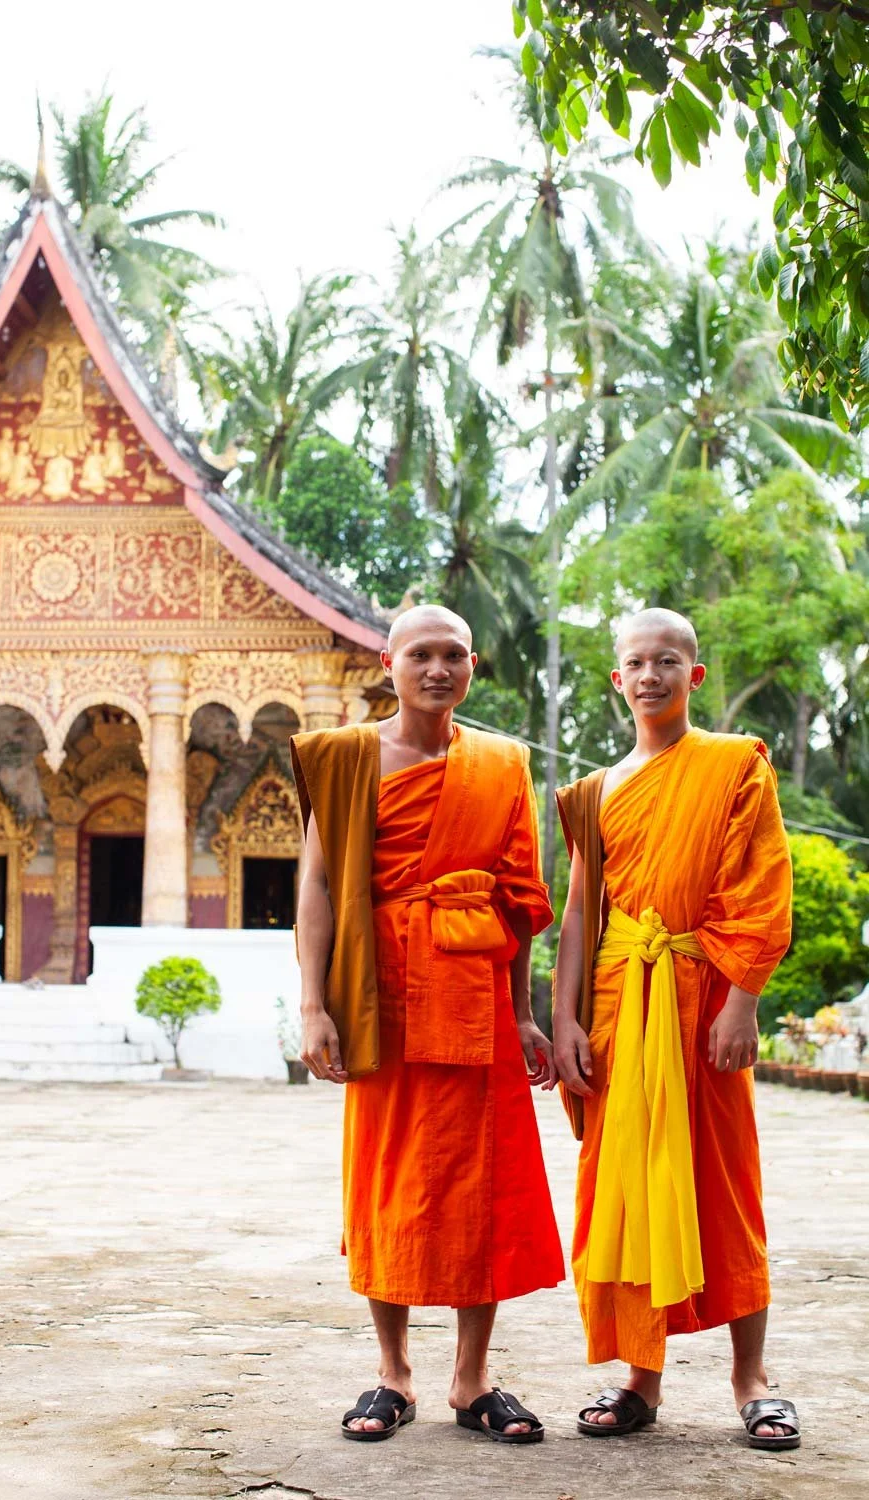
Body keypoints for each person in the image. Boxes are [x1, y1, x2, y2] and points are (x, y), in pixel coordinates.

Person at [291, 605, 564, 1446]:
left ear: (472, 666)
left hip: (477, 997)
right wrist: (312, 1004)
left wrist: (524, 1014)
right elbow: (318, 890)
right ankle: (392, 1373)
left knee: (482, 1188)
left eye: (453, 655)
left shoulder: (501, 764)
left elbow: (519, 902)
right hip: (383, 999)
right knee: (390, 1183)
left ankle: (473, 1378)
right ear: (389, 663)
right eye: (421, 654)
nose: (436, 668)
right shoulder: (343, 758)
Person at [553, 607, 799, 1451]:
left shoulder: (734, 766)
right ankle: (639, 1379)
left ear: (694, 676)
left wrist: (743, 1000)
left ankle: (751, 1380)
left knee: (724, 1183)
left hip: (702, 998)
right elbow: (582, 912)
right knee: (623, 1186)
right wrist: (565, 1020)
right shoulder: (596, 791)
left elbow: (761, 888)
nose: (651, 675)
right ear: (616, 680)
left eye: (668, 661)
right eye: (636, 662)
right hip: (623, 1002)